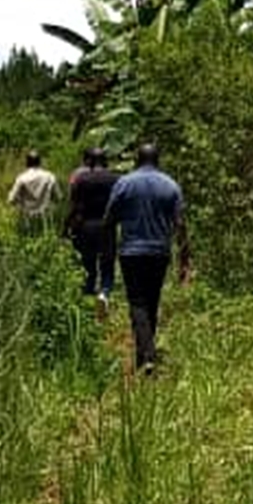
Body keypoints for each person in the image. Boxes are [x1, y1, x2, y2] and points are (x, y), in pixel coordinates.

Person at [102, 142, 191, 375]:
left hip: (131, 252)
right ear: (158, 160)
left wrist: (108, 252)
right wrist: (184, 259)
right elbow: (180, 225)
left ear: (137, 160)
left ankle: (147, 356)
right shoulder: (171, 185)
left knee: (137, 303)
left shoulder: (124, 183)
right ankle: (145, 356)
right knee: (151, 302)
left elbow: (109, 219)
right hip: (159, 253)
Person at [65, 147, 120, 313]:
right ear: (105, 161)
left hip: (85, 226)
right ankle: (104, 292)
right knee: (107, 262)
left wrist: (65, 227)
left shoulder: (81, 179)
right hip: (107, 225)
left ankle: (88, 294)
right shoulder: (116, 179)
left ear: (89, 162)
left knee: (87, 262)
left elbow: (74, 207)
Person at [8, 150, 63, 235]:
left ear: (27, 163)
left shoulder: (22, 178)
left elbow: (11, 200)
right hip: (45, 219)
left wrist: (20, 202)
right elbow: (59, 197)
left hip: (26, 219)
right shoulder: (50, 176)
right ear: (39, 162)